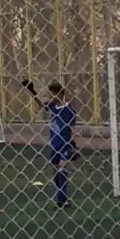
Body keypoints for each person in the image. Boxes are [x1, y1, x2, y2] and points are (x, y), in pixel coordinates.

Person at [23, 77, 78, 206]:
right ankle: (61, 196)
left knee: (62, 170)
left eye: (54, 94)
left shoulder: (69, 109)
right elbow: (40, 104)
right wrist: (31, 91)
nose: (52, 96)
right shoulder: (53, 106)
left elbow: (73, 127)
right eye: (51, 94)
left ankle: (62, 199)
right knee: (55, 170)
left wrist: (73, 143)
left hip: (64, 143)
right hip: (54, 144)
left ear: (61, 94)